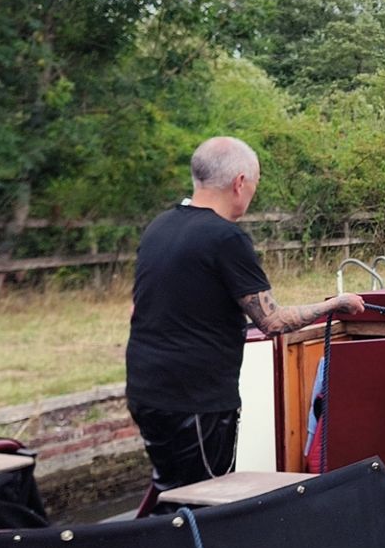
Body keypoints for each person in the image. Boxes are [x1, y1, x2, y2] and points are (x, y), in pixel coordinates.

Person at [125, 136, 366, 498]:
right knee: (203, 500)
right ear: (240, 182)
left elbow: (139, 307)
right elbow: (272, 321)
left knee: (170, 490)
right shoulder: (225, 238)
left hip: (145, 391)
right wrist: (335, 305)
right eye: (253, 185)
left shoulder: (160, 227)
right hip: (196, 401)